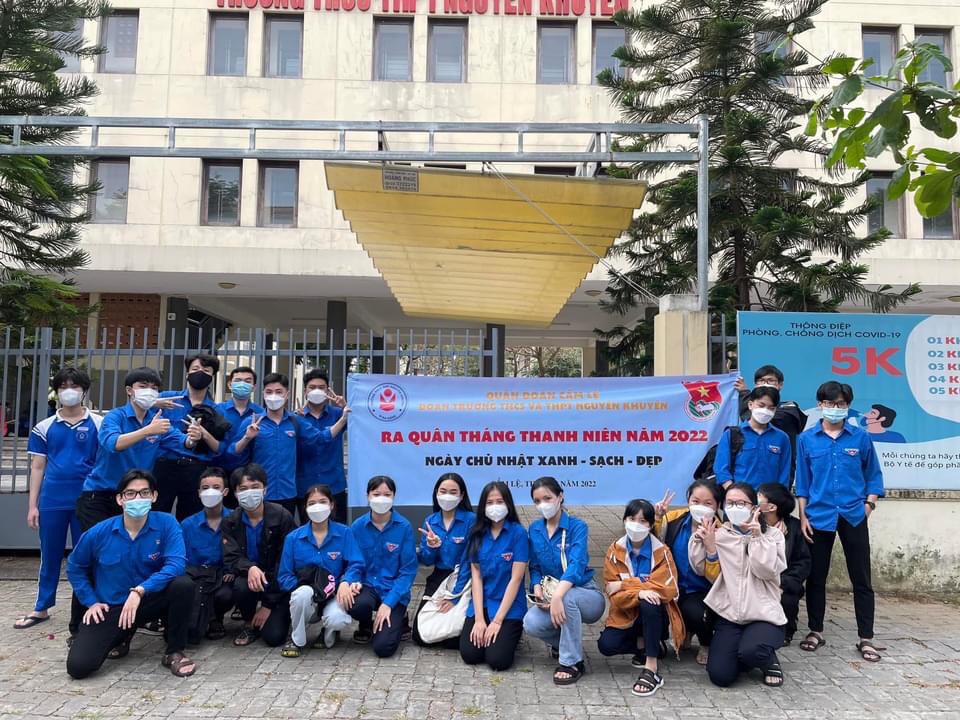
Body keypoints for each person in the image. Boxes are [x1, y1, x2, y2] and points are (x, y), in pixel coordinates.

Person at [70, 367, 195, 638]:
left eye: (154, 386)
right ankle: (79, 625)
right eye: (142, 385)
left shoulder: (157, 420)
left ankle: (131, 615)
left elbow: (182, 442)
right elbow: (112, 443)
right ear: (129, 390)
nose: (149, 391)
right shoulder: (116, 417)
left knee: (134, 556)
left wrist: (192, 437)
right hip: (100, 497)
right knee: (95, 557)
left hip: (134, 498)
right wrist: (148, 430)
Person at [65, 469, 198, 679]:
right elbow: (75, 567)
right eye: (130, 493)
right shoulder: (99, 532)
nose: (138, 498)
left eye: (144, 493)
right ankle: (123, 635)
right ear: (120, 499)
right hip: (112, 607)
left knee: (183, 584)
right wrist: (91, 602)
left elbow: (176, 564)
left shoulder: (167, 523)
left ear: (154, 496)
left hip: (149, 600)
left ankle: (174, 651)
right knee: (78, 667)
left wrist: (140, 591)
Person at [795, 380, 884, 662]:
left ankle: (866, 637)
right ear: (820, 405)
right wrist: (802, 516)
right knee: (816, 577)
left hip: (853, 514)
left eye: (841, 404)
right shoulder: (806, 439)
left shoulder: (860, 438)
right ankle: (815, 631)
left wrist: (869, 505)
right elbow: (803, 482)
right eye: (831, 403)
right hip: (818, 516)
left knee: (861, 578)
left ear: (848, 406)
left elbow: (873, 475)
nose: (836, 408)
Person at [15, 368, 103, 630]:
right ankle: (41, 607)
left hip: (87, 499)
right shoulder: (43, 427)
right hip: (52, 499)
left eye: (75, 386)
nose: (69, 391)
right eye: (63, 386)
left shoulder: (99, 423)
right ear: (56, 391)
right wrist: (32, 506)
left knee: (87, 555)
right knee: (50, 555)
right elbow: (38, 467)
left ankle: (90, 607)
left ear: (84, 390)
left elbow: (104, 461)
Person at [690, 482, 787, 688]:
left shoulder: (773, 535)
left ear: (754, 507)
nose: (734, 508)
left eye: (741, 503)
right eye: (730, 503)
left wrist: (757, 538)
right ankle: (746, 653)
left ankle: (767, 659)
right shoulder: (720, 534)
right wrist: (706, 545)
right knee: (720, 676)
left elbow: (765, 571)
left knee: (753, 651)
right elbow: (700, 569)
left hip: (763, 614)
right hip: (730, 615)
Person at [522, 476, 604, 685]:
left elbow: (577, 564)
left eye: (547, 498)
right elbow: (535, 566)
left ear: (560, 497)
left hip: (586, 593)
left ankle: (572, 662)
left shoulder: (577, 526)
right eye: (537, 501)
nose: (543, 505)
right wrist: (537, 588)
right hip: (552, 594)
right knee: (531, 623)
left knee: (568, 598)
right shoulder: (535, 529)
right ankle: (566, 644)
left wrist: (558, 596)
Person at [229, 373, 349, 516]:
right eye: (269, 392)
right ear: (263, 394)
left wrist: (343, 419)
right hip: (258, 492)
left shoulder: (296, 421)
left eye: (279, 392)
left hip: (288, 493)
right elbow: (233, 452)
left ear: (287, 395)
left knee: (285, 529)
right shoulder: (252, 421)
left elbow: (321, 438)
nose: (273, 396)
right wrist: (246, 438)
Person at [598, 499, 684, 698]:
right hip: (625, 614)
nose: (636, 524)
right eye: (632, 519)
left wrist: (625, 585)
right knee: (606, 645)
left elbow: (668, 588)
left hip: (655, 616)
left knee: (650, 600)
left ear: (651, 524)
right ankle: (645, 645)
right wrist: (639, 591)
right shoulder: (614, 551)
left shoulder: (662, 551)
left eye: (643, 520)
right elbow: (614, 595)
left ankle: (651, 668)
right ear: (624, 520)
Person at [276, 484, 363, 657]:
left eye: (323, 502)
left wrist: (346, 582)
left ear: (332, 505)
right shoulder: (293, 538)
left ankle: (329, 633)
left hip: (334, 593)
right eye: (312, 503)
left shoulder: (344, 533)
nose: (318, 507)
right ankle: (297, 639)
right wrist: (307, 589)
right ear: (305, 508)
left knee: (337, 619)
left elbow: (356, 564)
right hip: (307, 596)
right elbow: (284, 576)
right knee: (301, 595)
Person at [221, 463, 297, 647]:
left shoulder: (282, 516)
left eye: (255, 487)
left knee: (274, 637)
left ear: (265, 489)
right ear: (235, 493)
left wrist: (268, 605)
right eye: (243, 489)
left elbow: (286, 561)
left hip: (279, 581)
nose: (249, 493)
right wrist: (250, 568)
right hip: (250, 579)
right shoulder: (231, 521)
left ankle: (276, 612)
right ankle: (249, 622)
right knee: (241, 585)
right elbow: (231, 557)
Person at [341, 476, 418, 658]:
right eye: (376, 494)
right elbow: (353, 562)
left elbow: (407, 572)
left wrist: (389, 603)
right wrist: (349, 580)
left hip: (393, 590)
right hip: (368, 586)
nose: (381, 499)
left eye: (387, 494)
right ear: (368, 496)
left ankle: (400, 619)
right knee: (355, 604)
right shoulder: (358, 526)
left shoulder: (404, 527)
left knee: (383, 648)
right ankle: (366, 624)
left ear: (393, 497)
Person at [458, 481, 528, 672]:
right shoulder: (477, 533)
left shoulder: (518, 534)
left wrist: (497, 621)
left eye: (499, 501)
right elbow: (476, 577)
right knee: (470, 655)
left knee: (497, 660)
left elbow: (516, 579)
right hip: (482, 603)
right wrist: (479, 619)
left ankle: (512, 634)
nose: (495, 507)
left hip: (508, 606)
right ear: (483, 506)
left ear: (508, 504)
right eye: (490, 502)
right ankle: (487, 630)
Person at [653, 480, 723, 666]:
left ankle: (706, 642)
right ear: (688, 501)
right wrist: (658, 517)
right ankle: (682, 631)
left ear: (717, 505)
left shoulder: (722, 531)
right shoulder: (674, 519)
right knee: (653, 607)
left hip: (703, 591)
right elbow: (654, 541)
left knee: (696, 612)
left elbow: (718, 577)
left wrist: (711, 547)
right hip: (673, 586)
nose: (700, 507)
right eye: (695, 501)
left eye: (708, 503)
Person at [155, 354, 224, 520]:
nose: (200, 373)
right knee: (157, 515)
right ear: (187, 373)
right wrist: (153, 403)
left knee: (190, 518)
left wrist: (204, 435)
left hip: (196, 468)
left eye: (206, 371)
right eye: (195, 369)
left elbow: (219, 447)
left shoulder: (216, 410)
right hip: (164, 466)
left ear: (212, 377)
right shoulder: (166, 398)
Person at [412, 472, 474, 649]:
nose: (447, 496)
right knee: (420, 635)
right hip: (439, 577)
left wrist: (454, 597)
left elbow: (469, 560)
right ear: (436, 493)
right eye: (443, 491)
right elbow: (426, 561)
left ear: (461, 495)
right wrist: (432, 546)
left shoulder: (471, 520)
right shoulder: (431, 521)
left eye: (453, 492)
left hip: (465, 577)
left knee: (458, 631)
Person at [180, 467, 234, 643]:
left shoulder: (236, 520)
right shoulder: (187, 524)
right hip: (197, 576)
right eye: (205, 488)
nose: (210, 492)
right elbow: (182, 558)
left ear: (225, 491)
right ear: (199, 493)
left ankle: (216, 618)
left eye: (216, 487)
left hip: (224, 576)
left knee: (226, 595)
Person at [757, 482, 811, 646]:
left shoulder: (794, 528)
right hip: (757, 579)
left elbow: (802, 562)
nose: (754, 500)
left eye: (759, 497)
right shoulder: (753, 524)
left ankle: (787, 630)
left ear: (771, 507)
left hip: (783, 582)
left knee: (787, 600)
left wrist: (783, 582)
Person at [295, 370, 349, 523]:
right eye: (312, 387)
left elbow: (360, 428)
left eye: (321, 387)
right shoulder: (296, 417)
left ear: (327, 390)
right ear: (305, 391)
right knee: (308, 530)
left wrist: (346, 407)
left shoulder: (338, 414)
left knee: (338, 529)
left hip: (334, 484)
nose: (317, 391)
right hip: (305, 485)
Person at [714, 386, 791, 490]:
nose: (765, 411)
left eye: (771, 408)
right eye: (761, 405)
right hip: (739, 496)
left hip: (770, 497)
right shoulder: (731, 434)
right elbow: (721, 469)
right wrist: (733, 492)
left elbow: (784, 473)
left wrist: (778, 496)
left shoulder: (782, 438)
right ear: (750, 405)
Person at [216, 367, 264, 481]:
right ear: (230, 385)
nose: (242, 384)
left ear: (254, 387)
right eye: (238, 380)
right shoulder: (217, 410)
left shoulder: (260, 413)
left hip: (248, 474)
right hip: (219, 471)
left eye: (247, 381)